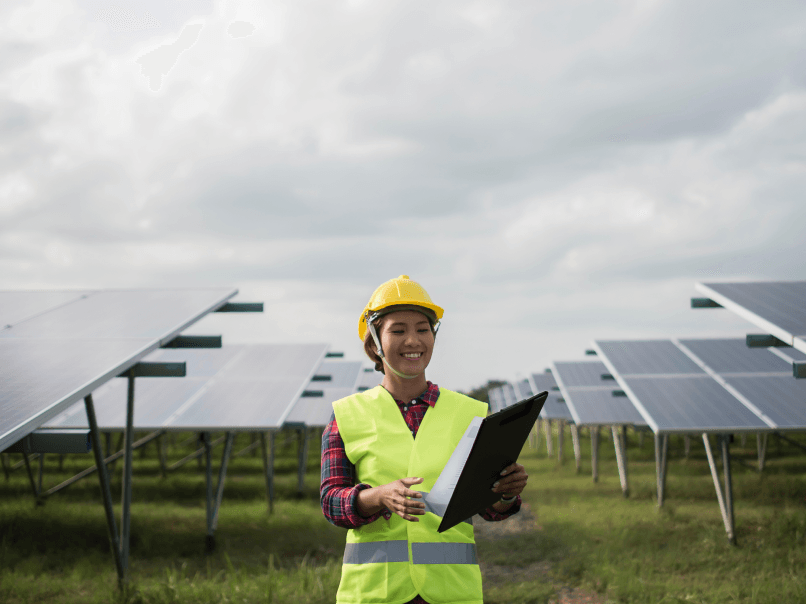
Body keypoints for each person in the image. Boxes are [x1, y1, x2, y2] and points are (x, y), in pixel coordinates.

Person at [321, 275, 529, 604]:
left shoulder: (470, 414)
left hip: (451, 592)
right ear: (375, 343)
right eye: (398, 330)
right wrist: (377, 497)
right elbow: (332, 502)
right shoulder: (347, 415)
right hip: (376, 592)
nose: (413, 340)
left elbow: (490, 510)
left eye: (423, 328)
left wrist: (505, 494)